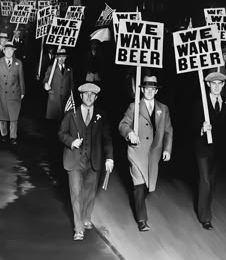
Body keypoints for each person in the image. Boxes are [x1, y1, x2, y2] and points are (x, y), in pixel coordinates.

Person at [58, 82, 114, 241]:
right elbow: (61, 133)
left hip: (93, 161)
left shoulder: (101, 116)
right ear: (81, 96)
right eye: (86, 94)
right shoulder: (71, 114)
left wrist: (110, 157)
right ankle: (79, 228)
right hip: (74, 160)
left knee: (89, 193)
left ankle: (85, 217)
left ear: (96, 97)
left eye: (92, 94)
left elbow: (107, 138)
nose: (89, 97)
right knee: (76, 193)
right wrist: (71, 141)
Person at [118, 75, 173, 231]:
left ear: (156, 91)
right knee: (139, 185)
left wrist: (167, 149)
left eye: (152, 89)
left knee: (149, 187)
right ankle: (142, 220)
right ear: (142, 90)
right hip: (136, 151)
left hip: (153, 154)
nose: (149, 91)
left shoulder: (163, 109)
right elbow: (122, 124)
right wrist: (129, 133)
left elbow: (169, 131)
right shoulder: (133, 107)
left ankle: (139, 202)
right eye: (146, 88)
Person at [192, 72, 226, 230]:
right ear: (208, 85)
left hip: (218, 151)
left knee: (212, 183)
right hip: (202, 149)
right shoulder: (200, 103)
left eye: (219, 84)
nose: (216, 86)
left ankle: (206, 208)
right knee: (205, 182)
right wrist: (202, 128)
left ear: (222, 85)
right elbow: (190, 125)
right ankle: (205, 217)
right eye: (213, 83)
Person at [0, 42, 25, 144]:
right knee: (2, 116)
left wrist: (23, 91)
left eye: (11, 50)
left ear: (13, 51)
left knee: (14, 116)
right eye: (7, 50)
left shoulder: (18, 63)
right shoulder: (0, 62)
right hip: (1, 93)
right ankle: (3, 134)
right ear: (4, 51)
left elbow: (21, 78)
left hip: (14, 93)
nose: (9, 52)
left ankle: (13, 137)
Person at [43, 48, 73, 125]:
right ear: (56, 57)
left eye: (63, 56)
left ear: (66, 57)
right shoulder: (51, 68)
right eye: (60, 56)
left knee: (64, 120)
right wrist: (46, 84)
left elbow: (71, 83)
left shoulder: (69, 69)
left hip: (65, 98)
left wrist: (71, 94)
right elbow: (46, 79)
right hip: (54, 97)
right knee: (54, 121)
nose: (61, 58)